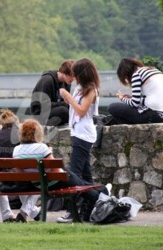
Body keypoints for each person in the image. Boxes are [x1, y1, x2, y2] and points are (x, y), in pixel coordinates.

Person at [13, 119, 111, 222]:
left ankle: (102, 192)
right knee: (79, 182)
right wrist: (49, 153)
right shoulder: (42, 148)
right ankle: (102, 193)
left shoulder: (16, 150)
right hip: (53, 182)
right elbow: (55, 171)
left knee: (80, 182)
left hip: (37, 184)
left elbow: (21, 174)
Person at [57, 58, 101, 223]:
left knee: (73, 174)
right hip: (77, 132)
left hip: (84, 135)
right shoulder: (80, 88)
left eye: (76, 72)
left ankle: (71, 211)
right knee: (86, 175)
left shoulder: (91, 90)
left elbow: (82, 111)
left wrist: (68, 97)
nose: (73, 75)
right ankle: (89, 208)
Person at [0, 109, 41, 223]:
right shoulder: (19, 136)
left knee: (0, 176)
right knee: (37, 180)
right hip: (14, 178)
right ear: (17, 123)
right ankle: (28, 211)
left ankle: (7, 215)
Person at [106, 58, 163, 125]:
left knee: (112, 107)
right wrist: (130, 98)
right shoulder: (155, 70)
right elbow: (151, 100)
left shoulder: (136, 74)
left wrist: (122, 98)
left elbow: (135, 103)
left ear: (126, 72)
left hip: (153, 115)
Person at [30, 59, 75, 126]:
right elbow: (44, 105)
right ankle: (42, 124)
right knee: (64, 111)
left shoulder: (67, 83)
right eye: (72, 76)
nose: (74, 79)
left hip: (54, 110)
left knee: (73, 111)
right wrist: (64, 104)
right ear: (65, 73)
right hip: (40, 112)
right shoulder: (47, 80)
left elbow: (67, 103)